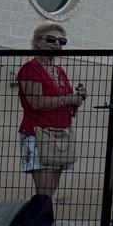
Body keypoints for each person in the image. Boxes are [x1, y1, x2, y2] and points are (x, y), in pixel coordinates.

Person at [17, 24, 85, 199]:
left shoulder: (59, 71)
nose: (57, 44)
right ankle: (38, 217)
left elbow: (67, 103)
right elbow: (36, 102)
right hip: (38, 132)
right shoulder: (31, 68)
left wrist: (78, 97)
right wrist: (69, 98)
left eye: (61, 41)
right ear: (37, 43)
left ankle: (43, 217)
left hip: (61, 133)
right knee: (44, 192)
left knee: (49, 192)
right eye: (51, 39)